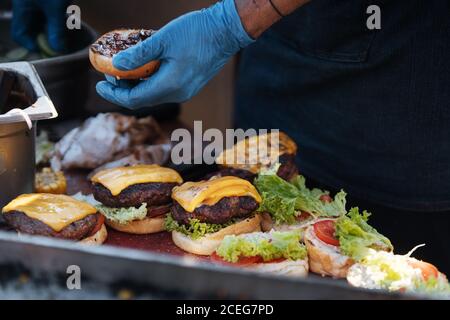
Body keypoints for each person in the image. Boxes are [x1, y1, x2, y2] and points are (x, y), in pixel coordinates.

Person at [96, 0, 450, 274]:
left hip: (399, 99)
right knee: (247, 193)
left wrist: (232, 22)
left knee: (390, 271)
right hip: (279, 55)